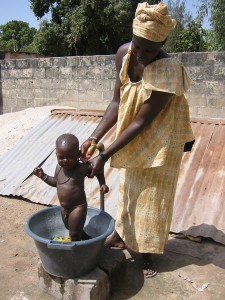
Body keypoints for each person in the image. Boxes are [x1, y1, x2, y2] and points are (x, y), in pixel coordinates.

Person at [81, 2, 194, 278]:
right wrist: (94, 137)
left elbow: (144, 121)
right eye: (137, 44)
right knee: (130, 187)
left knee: (152, 197)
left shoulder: (168, 69)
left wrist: (105, 156)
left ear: (163, 42)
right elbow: (116, 103)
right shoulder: (124, 54)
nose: (141, 54)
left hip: (163, 136)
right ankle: (121, 235)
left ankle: (146, 252)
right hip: (134, 131)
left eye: (149, 48)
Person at [33, 133, 109, 241]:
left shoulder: (81, 169)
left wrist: (102, 183)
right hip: (64, 208)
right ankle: (89, 240)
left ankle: (77, 255)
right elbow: (56, 183)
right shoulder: (59, 167)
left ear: (78, 155)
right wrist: (43, 176)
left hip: (78, 207)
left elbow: (98, 171)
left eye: (70, 157)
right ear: (56, 154)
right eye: (61, 157)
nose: (65, 160)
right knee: (71, 228)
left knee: (73, 234)